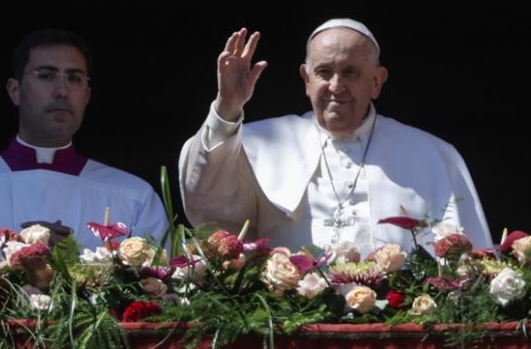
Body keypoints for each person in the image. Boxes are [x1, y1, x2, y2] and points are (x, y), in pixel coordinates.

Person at [179, 18, 492, 256]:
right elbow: (206, 201)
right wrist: (227, 108)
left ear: (376, 82)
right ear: (306, 79)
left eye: (351, 73)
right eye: (324, 72)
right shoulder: (256, 144)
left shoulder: (432, 155)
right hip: (293, 329)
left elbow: (469, 261)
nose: (336, 86)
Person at [0, 28, 168, 248]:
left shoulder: (134, 196)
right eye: (46, 76)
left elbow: (159, 291)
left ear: (87, 96)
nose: (62, 91)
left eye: (74, 78)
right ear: (15, 91)